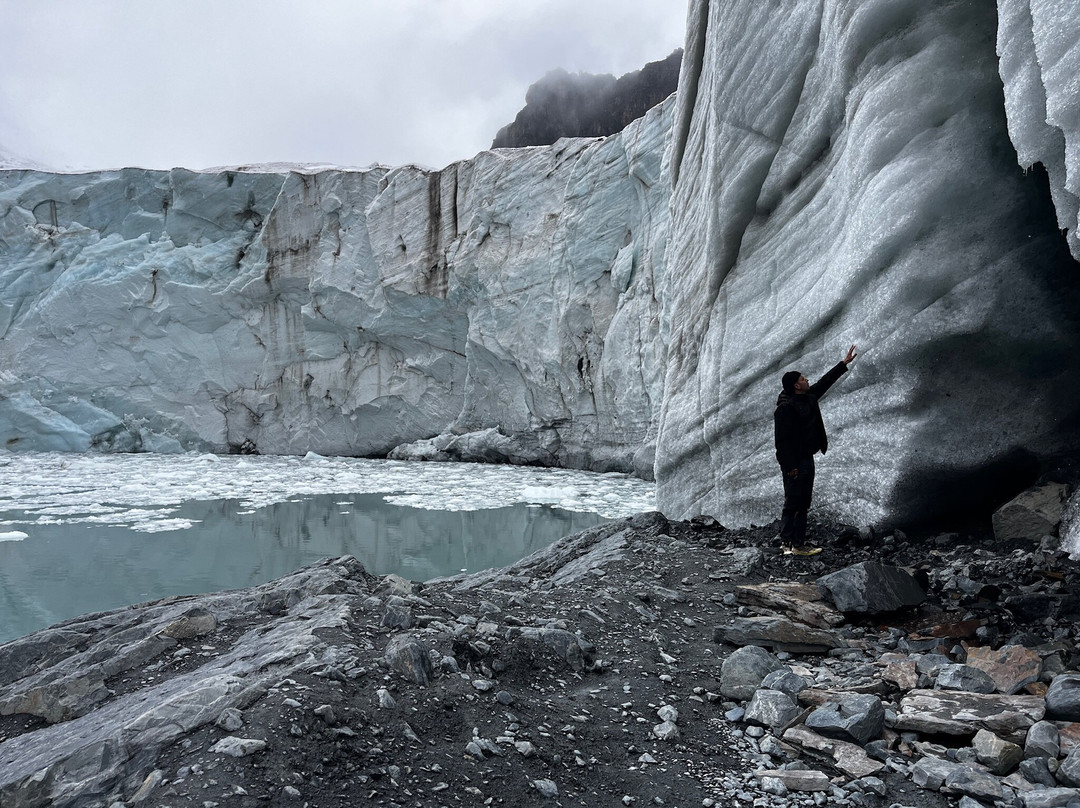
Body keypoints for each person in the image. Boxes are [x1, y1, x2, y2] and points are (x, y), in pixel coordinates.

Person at [773, 345, 857, 553]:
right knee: (793, 501)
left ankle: (797, 543)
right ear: (796, 386)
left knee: (803, 501)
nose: (807, 380)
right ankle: (789, 544)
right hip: (795, 461)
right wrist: (789, 466)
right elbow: (781, 442)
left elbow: (824, 383)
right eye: (803, 379)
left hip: (807, 457)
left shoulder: (808, 397)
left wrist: (843, 364)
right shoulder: (786, 408)